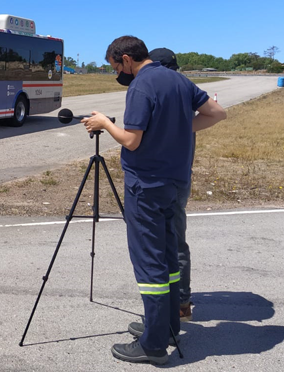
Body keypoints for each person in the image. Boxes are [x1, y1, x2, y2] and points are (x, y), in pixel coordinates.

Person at [81, 36, 226, 365]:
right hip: (175, 183)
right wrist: (177, 129)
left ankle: (154, 343)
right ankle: (168, 324)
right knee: (168, 256)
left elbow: (131, 141)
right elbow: (217, 113)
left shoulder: (142, 86)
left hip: (146, 186)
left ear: (127, 60)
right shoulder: (179, 80)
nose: (117, 73)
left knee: (150, 264)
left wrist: (104, 123)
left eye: (116, 67)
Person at [149, 47, 193, 322]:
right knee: (175, 239)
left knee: (170, 242)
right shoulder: (183, 91)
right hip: (181, 175)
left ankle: (178, 304)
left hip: (166, 179)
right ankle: (180, 301)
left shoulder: (165, 91)